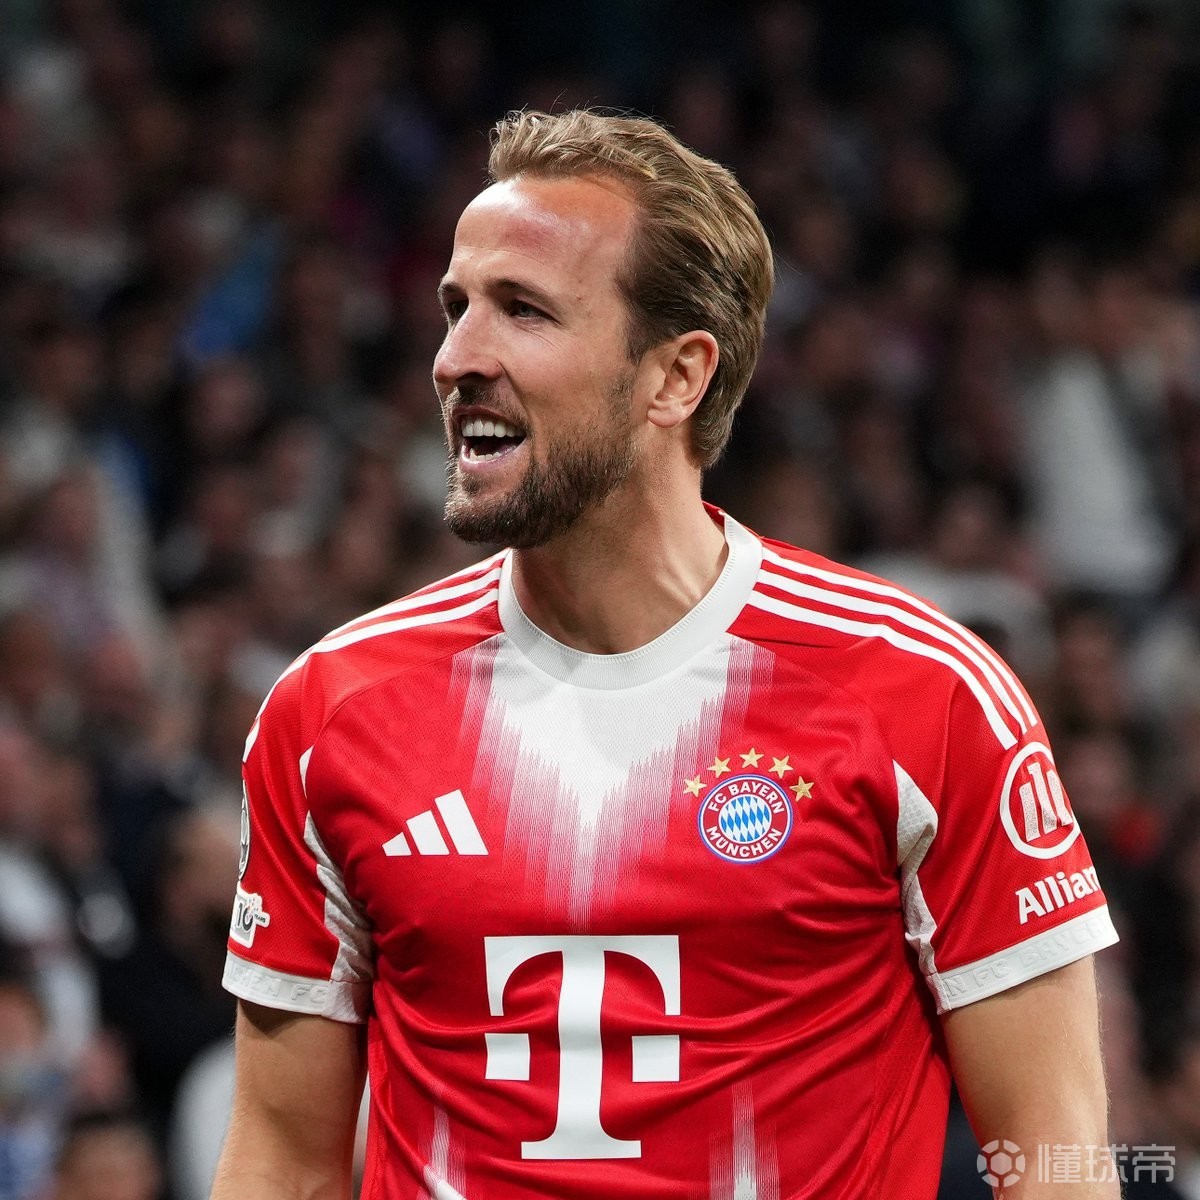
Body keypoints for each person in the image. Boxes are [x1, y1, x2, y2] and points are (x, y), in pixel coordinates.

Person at [210, 109, 1120, 1200]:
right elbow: (280, 1162)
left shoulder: (925, 697)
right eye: (456, 308)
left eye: (523, 310)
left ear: (677, 377)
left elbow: (1055, 1158)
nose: (456, 359)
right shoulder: (329, 712)